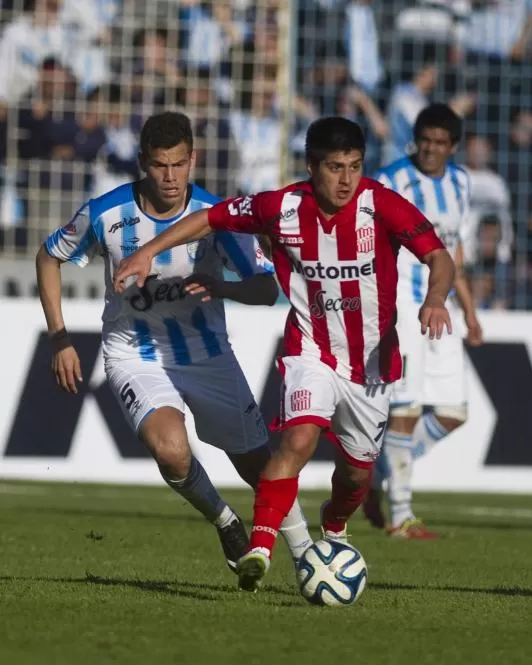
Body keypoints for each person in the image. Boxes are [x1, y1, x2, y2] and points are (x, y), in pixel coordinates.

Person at [112, 116, 456, 592]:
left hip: (372, 366)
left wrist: (435, 299)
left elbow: (439, 256)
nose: (345, 179)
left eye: (354, 167)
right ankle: (259, 547)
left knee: (356, 476)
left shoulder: (381, 205)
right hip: (310, 351)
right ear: (312, 166)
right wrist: (149, 250)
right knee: (297, 441)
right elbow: (210, 218)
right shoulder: (280, 207)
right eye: (334, 167)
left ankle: (334, 525)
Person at [35, 111, 314, 575]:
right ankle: (224, 520)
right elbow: (49, 257)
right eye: (161, 165)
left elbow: (266, 291)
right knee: (171, 448)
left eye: (179, 164)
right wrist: (60, 339)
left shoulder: (218, 216)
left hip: (208, 354)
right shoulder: (106, 212)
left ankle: (307, 556)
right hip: (134, 354)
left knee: (257, 466)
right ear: (143, 162)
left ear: (193, 160)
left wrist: (221, 286)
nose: (170, 177)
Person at [364, 102, 483, 539]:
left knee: (454, 411)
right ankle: (401, 516)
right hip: (402, 308)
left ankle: (374, 480)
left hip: (444, 309)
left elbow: (455, 252)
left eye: (441, 143)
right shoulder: (390, 180)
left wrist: (469, 310)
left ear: (453, 146)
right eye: (425, 141)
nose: (431, 150)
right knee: (407, 409)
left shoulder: (461, 183)